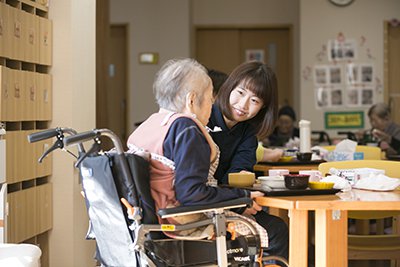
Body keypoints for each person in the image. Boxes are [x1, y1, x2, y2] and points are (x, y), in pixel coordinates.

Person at [126, 58, 268, 246]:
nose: (212, 106)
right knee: (268, 233)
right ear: (192, 100)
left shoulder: (150, 124)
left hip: (146, 222)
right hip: (180, 224)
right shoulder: (187, 129)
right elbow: (191, 194)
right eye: (210, 99)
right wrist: (243, 196)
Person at [207, 61, 288, 260]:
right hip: (203, 203)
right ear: (229, 87)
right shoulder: (203, 118)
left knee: (277, 226)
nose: (243, 105)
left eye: (255, 100)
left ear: (263, 108)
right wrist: (238, 202)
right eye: (241, 93)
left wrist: (240, 200)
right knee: (276, 229)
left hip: (227, 200)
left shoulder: (247, 134)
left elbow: (238, 174)